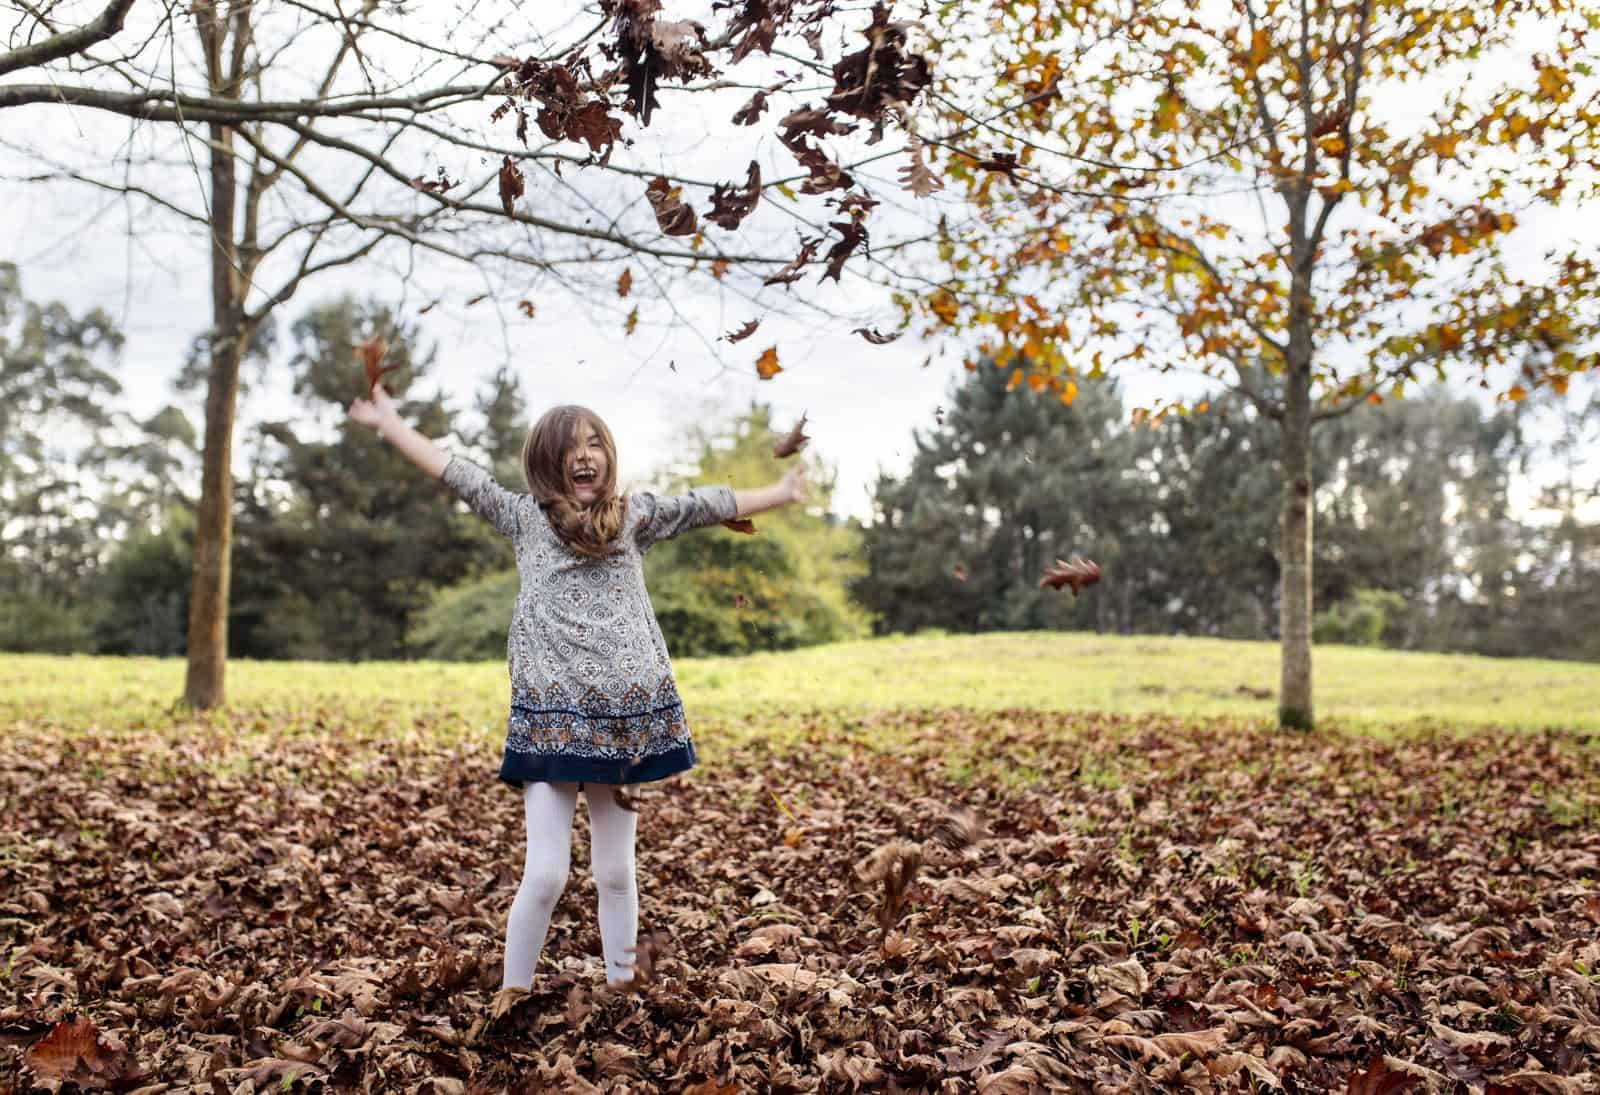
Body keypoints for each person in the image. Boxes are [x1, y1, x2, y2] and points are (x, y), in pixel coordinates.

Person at [347, 387, 808, 990]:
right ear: (547, 463)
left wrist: (780, 493)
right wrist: (392, 424)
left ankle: (621, 989)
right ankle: (512, 995)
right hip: (550, 722)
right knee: (545, 875)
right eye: (570, 448)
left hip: (622, 725)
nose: (585, 455)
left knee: (615, 871)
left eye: (595, 444)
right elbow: (455, 471)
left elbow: (707, 503)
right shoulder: (523, 519)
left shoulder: (633, 519)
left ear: (608, 457)